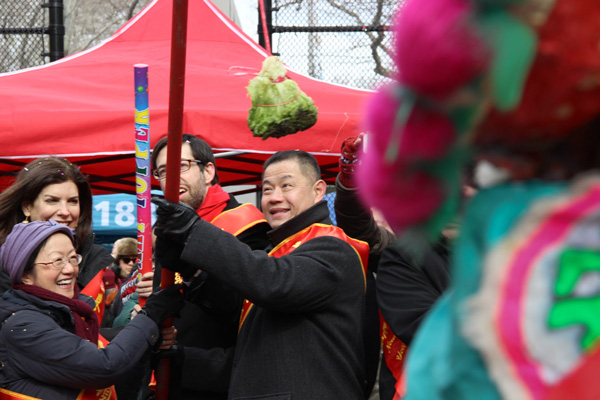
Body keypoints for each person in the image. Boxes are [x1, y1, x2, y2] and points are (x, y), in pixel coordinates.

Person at [152, 150, 370, 399]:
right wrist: (181, 357)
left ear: (319, 190)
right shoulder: (274, 253)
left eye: (287, 186)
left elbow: (273, 283)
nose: (275, 198)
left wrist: (195, 231)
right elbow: (247, 353)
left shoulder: (333, 248)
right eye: (267, 190)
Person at [0, 220, 184, 400]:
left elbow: (106, 346)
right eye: (57, 261)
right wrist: (150, 316)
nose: (70, 269)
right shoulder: (21, 326)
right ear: (25, 275)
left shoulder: (69, 312)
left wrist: (149, 337)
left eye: (73, 258)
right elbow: (104, 366)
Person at [149, 134, 270, 399]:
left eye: (181, 166)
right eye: (162, 171)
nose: (170, 178)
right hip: (167, 376)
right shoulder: (166, 229)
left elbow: (241, 307)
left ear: (208, 171)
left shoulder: (249, 226)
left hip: (217, 379)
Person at [0, 157, 114, 294]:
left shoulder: (94, 258)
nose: (65, 212)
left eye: (73, 201)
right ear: (27, 207)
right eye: (52, 201)